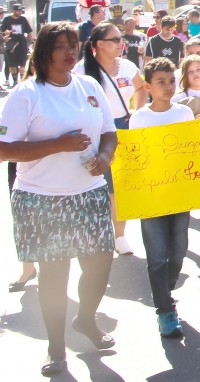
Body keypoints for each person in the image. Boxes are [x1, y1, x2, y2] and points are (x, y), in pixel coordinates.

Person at [0, 22, 117, 376]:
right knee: (55, 275)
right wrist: (57, 145)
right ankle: (56, 348)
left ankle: (85, 319)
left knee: (100, 264)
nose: (70, 52)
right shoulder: (26, 94)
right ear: (45, 51)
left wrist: (105, 157)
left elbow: (109, 132)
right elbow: (4, 149)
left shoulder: (90, 85)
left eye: (74, 45)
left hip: (90, 193)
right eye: (61, 46)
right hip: (42, 199)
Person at [129, 58, 195, 337]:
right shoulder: (140, 117)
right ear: (148, 86)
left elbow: (195, 150)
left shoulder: (184, 113)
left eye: (171, 81)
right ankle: (165, 311)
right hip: (152, 195)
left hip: (179, 194)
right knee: (156, 254)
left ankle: (164, 290)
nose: (168, 87)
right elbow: (134, 157)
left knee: (178, 251)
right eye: (161, 82)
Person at [78, 22, 146, 257]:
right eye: (115, 40)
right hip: (95, 133)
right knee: (97, 185)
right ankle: (95, 233)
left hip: (123, 129)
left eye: (120, 39)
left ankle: (119, 236)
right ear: (99, 44)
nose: (121, 44)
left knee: (120, 188)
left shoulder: (127, 66)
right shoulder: (82, 71)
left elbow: (142, 88)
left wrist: (136, 111)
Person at [2, 3, 34, 87]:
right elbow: (2, 32)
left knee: (22, 63)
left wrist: (32, 43)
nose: (19, 12)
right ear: (13, 10)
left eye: (20, 11)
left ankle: (21, 80)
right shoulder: (7, 19)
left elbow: (29, 31)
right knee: (12, 64)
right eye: (17, 11)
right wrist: (5, 34)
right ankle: (14, 80)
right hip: (10, 44)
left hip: (21, 43)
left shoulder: (23, 19)